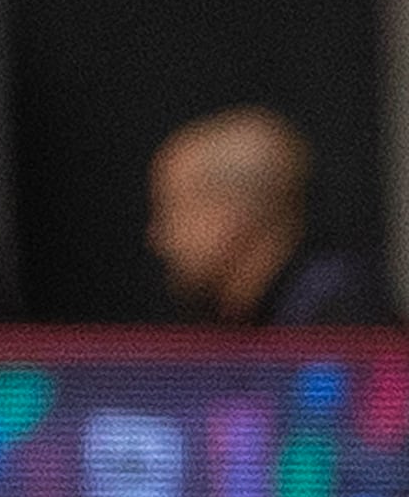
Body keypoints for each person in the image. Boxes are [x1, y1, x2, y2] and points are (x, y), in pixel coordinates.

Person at [152, 107, 400, 330]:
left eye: (170, 213)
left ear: (230, 216)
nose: (158, 238)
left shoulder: (339, 324)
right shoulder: (252, 319)